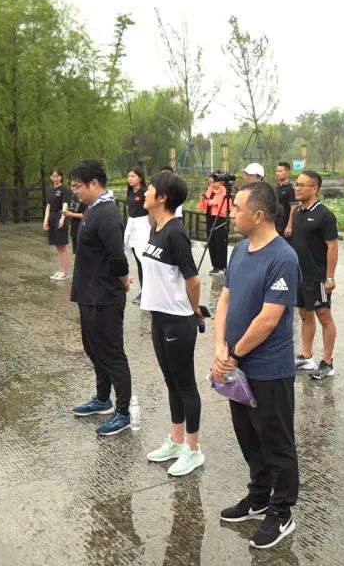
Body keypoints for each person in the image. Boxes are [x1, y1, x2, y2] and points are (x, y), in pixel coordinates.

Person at [212, 181, 301, 550]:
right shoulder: (240, 250)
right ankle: (259, 495)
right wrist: (220, 346)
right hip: (237, 366)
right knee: (248, 436)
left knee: (276, 441)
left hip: (268, 368)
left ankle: (281, 511)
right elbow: (225, 299)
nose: (231, 214)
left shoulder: (283, 257)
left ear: (259, 215)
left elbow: (269, 318)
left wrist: (233, 354)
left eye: (237, 209)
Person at [140, 171, 206, 477]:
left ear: (162, 197)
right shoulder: (156, 228)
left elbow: (193, 279)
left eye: (150, 189)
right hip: (159, 316)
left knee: (186, 385)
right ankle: (176, 441)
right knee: (171, 383)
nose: (145, 192)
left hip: (178, 320)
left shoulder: (176, 233)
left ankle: (193, 449)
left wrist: (194, 310)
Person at [68, 160, 135, 437]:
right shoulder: (93, 209)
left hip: (104, 296)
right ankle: (102, 398)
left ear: (94, 183)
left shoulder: (107, 214)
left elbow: (117, 256)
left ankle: (123, 412)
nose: (75, 191)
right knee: (93, 349)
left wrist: (124, 279)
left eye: (77, 186)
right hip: (89, 293)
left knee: (112, 353)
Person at [289, 169, 339, 380]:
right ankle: (306, 356)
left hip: (318, 277)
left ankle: (327, 362)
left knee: (324, 316)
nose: (297, 188)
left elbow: (333, 247)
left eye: (302, 185)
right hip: (300, 275)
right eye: (296, 184)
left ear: (315, 188)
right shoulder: (297, 213)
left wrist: (329, 277)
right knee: (304, 314)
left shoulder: (324, 215)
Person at [123, 167, 150, 303]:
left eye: (133, 176)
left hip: (143, 225)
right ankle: (143, 289)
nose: (130, 179)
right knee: (138, 260)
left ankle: (148, 291)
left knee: (144, 259)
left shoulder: (145, 192)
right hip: (132, 224)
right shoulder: (129, 192)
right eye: (129, 176)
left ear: (140, 178)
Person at [43, 168, 72, 280]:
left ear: (61, 177)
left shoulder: (65, 189)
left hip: (60, 215)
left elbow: (65, 204)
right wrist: (46, 220)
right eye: (53, 176)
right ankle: (60, 269)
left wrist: (63, 217)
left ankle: (65, 271)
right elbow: (48, 206)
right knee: (57, 245)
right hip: (52, 216)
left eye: (57, 176)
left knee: (63, 244)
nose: (55, 178)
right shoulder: (49, 189)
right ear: (50, 177)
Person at [204, 174, 231, 275]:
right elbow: (206, 201)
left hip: (219, 217)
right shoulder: (209, 190)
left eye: (214, 182)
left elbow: (227, 205)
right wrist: (206, 201)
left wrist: (215, 202)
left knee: (220, 242)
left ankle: (221, 266)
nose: (212, 184)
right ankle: (215, 265)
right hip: (209, 216)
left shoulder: (224, 191)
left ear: (221, 182)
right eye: (210, 182)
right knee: (211, 241)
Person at [274, 162, 299, 239]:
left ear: (287, 172)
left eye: (280, 171)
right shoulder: (275, 188)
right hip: (276, 226)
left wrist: (289, 226)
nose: (277, 173)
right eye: (277, 171)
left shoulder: (291, 188)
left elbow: (294, 207)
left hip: (285, 227)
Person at [65, 191, 84, 256]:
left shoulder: (84, 198)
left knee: (82, 253)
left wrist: (72, 214)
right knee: (76, 253)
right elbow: (72, 210)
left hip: (82, 229)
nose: (73, 188)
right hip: (74, 229)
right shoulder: (73, 197)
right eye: (72, 186)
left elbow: (85, 215)